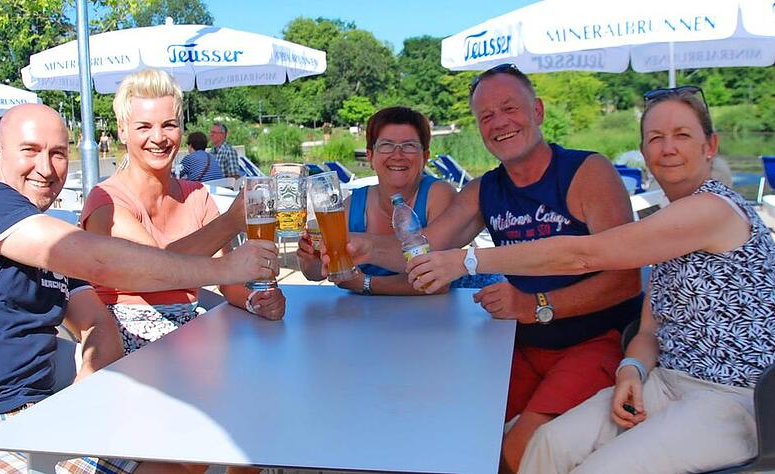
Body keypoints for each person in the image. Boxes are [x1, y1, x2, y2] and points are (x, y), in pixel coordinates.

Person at [407, 85, 775, 474]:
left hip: (735, 400)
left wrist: (467, 261)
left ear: (711, 145)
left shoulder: (712, 210)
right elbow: (650, 330)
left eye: (682, 135)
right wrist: (632, 367)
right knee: (547, 445)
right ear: (645, 152)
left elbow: (584, 254)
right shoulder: (668, 224)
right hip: (664, 382)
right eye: (655, 138)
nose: (668, 148)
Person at [342, 64, 643, 472]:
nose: (499, 122)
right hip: (516, 345)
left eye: (509, 108)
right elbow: (424, 248)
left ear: (537, 111)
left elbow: (625, 280)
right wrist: (363, 246)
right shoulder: (486, 189)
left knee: (519, 451)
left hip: (595, 340)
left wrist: (535, 305)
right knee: (451, 423)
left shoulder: (586, 172)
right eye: (486, 116)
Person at [0, 103, 278, 474]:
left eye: (57, 153)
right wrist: (225, 267)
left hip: (39, 416)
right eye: (30, 150)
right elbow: (101, 262)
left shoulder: (52, 246)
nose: (46, 167)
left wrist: (85, 389)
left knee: (185, 461)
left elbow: (99, 325)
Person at [81, 69, 286, 356]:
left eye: (169, 125)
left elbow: (230, 282)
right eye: (143, 127)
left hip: (192, 338)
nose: (159, 137)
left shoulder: (197, 195)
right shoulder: (107, 202)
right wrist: (230, 222)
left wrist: (257, 300)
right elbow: (155, 271)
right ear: (122, 130)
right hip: (124, 347)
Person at [297, 107, 457, 295]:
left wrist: (365, 283)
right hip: (364, 318)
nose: (398, 155)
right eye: (387, 145)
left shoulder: (439, 194)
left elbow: (438, 281)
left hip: (434, 316)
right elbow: (318, 274)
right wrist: (311, 260)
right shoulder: (352, 205)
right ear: (370, 156)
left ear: (425, 157)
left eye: (409, 145)